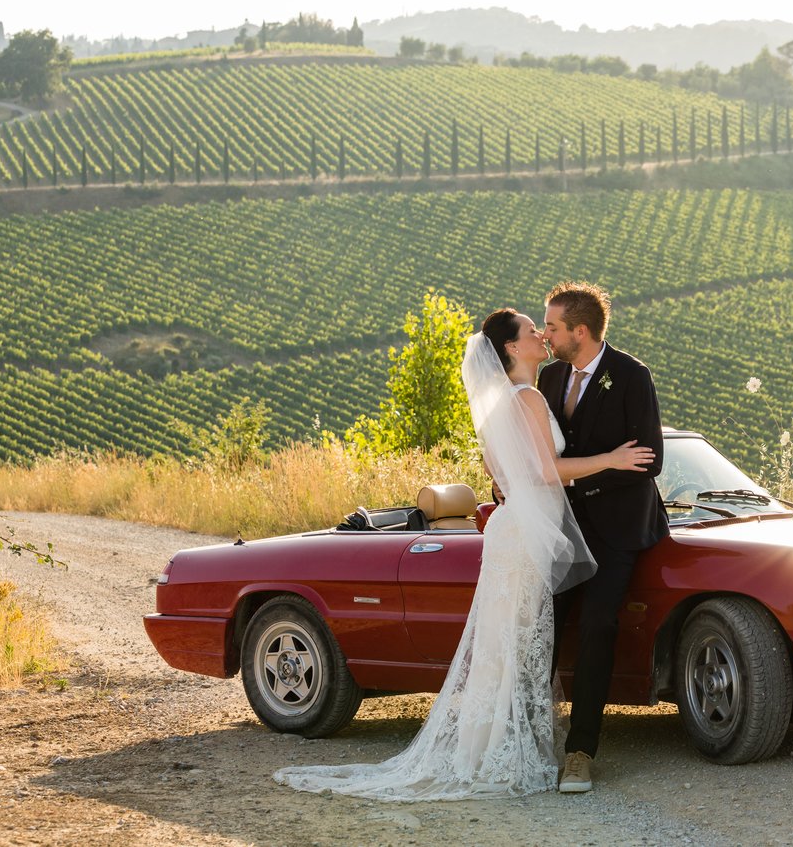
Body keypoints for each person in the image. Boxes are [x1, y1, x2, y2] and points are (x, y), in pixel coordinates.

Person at [272, 308, 653, 801]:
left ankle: (488, 748)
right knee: (518, 643)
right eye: (532, 330)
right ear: (513, 349)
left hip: (514, 528)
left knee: (508, 643)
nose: (541, 334)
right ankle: (507, 752)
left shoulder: (503, 402)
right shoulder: (532, 396)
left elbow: (508, 473)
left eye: (546, 327)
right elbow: (541, 471)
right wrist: (611, 459)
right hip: (526, 534)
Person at [539, 282, 668, 794]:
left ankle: (580, 752)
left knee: (596, 625)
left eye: (552, 327)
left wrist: (575, 477)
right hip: (561, 529)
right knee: (541, 626)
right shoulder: (548, 378)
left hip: (617, 531)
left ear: (580, 331)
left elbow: (648, 459)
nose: (545, 334)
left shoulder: (633, 376)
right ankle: (528, 739)